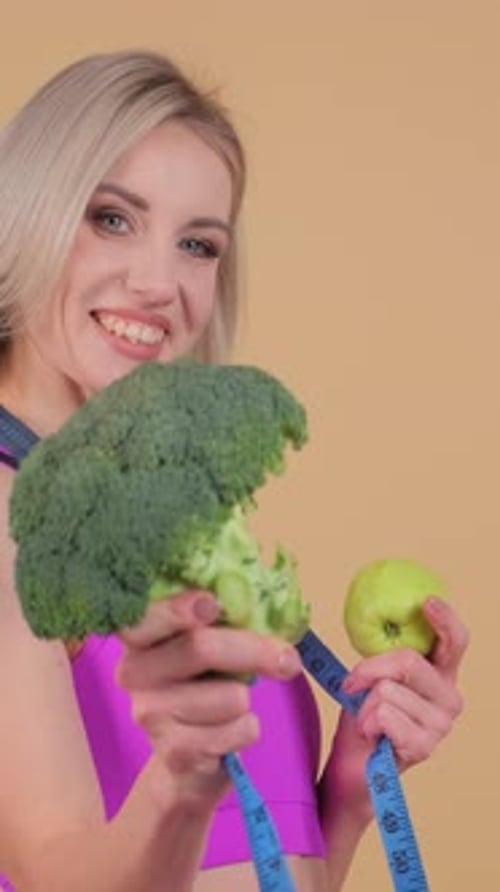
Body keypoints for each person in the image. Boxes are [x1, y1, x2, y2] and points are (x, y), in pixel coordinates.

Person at [0, 49, 468, 892]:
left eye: (197, 245)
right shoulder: (8, 513)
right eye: (111, 218)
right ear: (28, 211)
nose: (157, 282)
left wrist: (350, 799)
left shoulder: (175, 521)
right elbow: (52, 877)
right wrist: (179, 782)